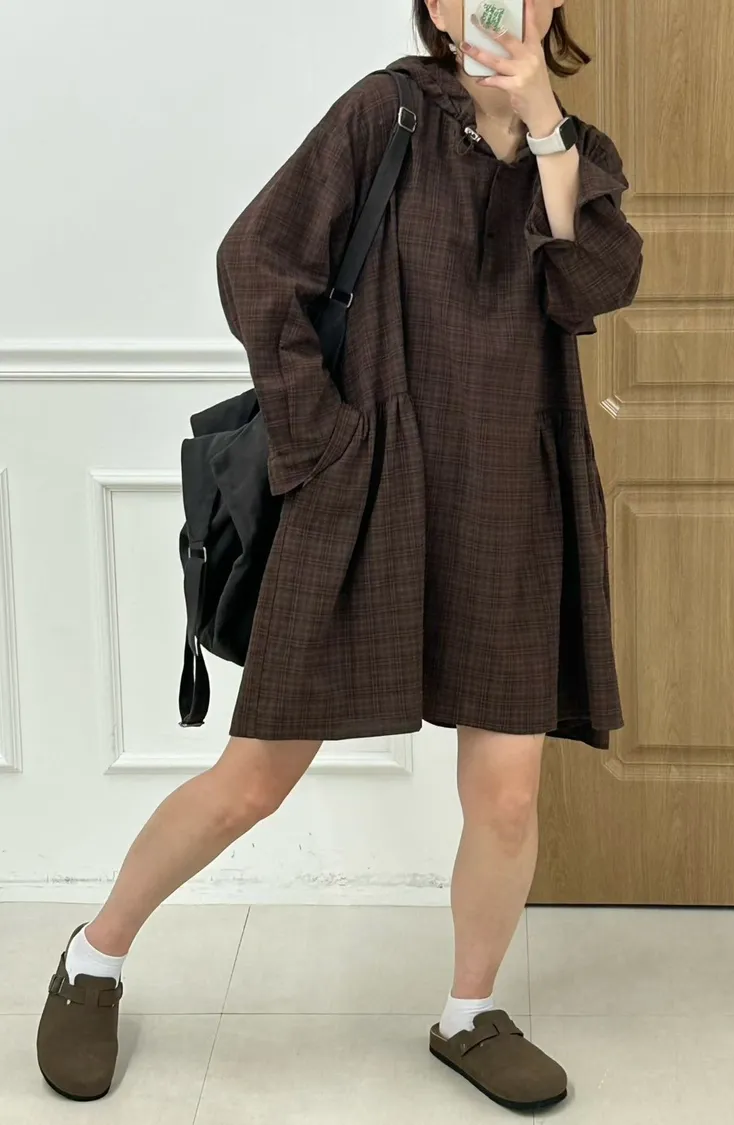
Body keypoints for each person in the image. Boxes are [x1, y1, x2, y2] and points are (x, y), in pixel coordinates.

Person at [36, 0, 643, 1111]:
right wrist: (321, 439)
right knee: (254, 780)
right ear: (433, 4)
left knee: (508, 795)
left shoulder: (577, 152)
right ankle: (94, 956)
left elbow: (593, 285)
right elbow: (256, 261)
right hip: (368, 489)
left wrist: (546, 124)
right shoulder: (386, 113)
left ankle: (468, 1012)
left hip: (512, 499)